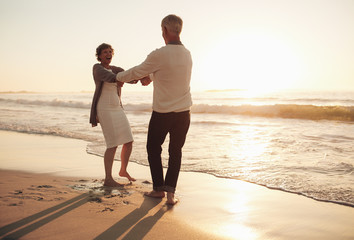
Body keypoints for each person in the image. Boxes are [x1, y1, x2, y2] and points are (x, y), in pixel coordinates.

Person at [116, 14, 192, 205]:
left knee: (153, 149)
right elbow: (168, 72)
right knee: (176, 152)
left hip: (162, 113)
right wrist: (151, 75)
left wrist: (117, 77)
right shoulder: (187, 54)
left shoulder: (159, 54)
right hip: (183, 113)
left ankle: (158, 190)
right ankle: (171, 194)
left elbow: (136, 71)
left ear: (165, 30)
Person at [89, 43, 141, 187]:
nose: (108, 54)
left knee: (128, 140)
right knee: (112, 144)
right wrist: (120, 78)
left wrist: (141, 77)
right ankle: (108, 179)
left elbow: (129, 77)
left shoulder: (116, 69)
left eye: (110, 51)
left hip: (117, 108)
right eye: (105, 52)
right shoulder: (97, 68)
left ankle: (123, 170)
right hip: (104, 109)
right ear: (99, 56)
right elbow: (110, 77)